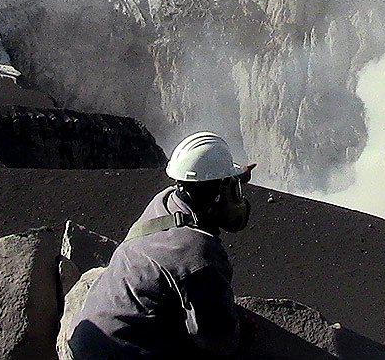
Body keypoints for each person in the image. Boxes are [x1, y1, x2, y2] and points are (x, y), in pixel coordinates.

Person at [66, 131, 255, 358]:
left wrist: (235, 177)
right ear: (218, 193)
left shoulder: (165, 201)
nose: (238, 198)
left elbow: (202, 183)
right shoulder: (198, 255)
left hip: (89, 340)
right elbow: (217, 340)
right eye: (233, 190)